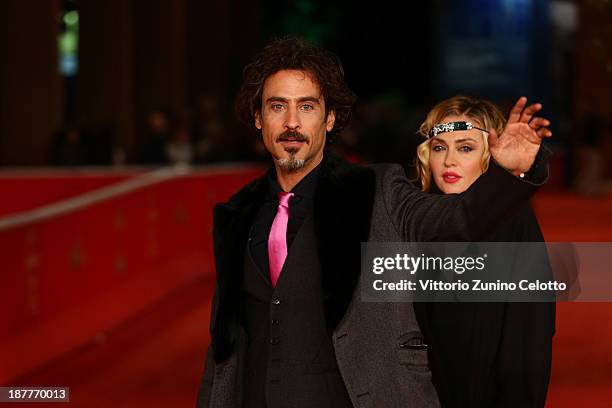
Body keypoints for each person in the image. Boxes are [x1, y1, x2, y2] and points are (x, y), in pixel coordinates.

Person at [196, 37, 552, 408]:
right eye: (276, 106)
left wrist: (507, 172)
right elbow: (223, 348)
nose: (291, 123)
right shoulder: (235, 214)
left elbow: (459, 220)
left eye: (306, 107)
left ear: (329, 118)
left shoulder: (379, 189)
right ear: (258, 117)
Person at [412, 95, 556, 407]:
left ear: (491, 155)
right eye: (439, 147)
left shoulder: (513, 224)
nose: (449, 160)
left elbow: (527, 344)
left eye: (465, 147)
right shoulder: (410, 217)